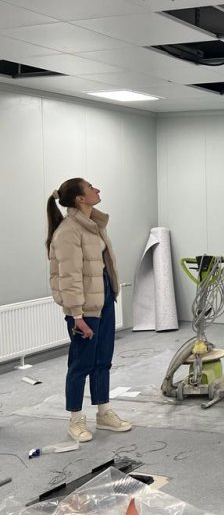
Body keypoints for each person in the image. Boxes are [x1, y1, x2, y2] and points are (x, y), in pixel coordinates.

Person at [46, 178, 132, 443]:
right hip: (83, 308)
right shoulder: (68, 232)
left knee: (103, 359)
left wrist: (111, 292)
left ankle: (103, 412)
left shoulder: (93, 225)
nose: (97, 190)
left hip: (103, 298)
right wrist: (77, 315)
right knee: (81, 363)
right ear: (80, 199)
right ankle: (75, 420)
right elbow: (68, 277)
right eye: (91, 188)